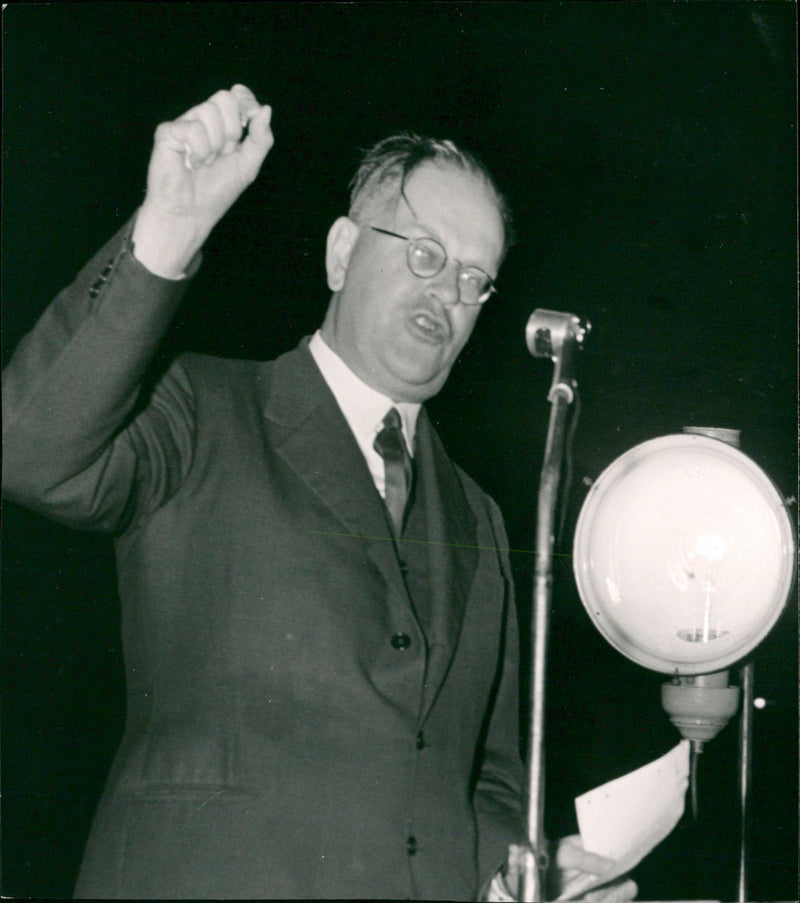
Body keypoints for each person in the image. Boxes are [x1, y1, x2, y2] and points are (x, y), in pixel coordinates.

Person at [2, 85, 636, 901]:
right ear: (341, 253)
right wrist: (167, 233)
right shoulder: (203, 409)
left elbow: (486, 783)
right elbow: (27, 448)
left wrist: (526, 877)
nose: (447, 291)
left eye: (475, 278)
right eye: (424, 252)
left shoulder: (478, 516)